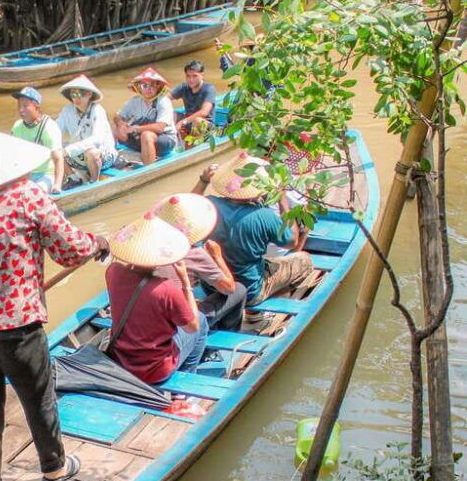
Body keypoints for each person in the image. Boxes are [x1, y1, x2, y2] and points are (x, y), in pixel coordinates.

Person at [0, 129, 108, 481]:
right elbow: (70, 250)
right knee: (38, 397)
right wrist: (98, 242)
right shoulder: (27, 196)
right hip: (15, 323)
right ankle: (54, 467)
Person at [195, 152, 313, 306]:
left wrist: (203, 181)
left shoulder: (210, 205)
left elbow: (187, 210)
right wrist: (282, 200)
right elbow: (291, 242)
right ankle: (263, 307)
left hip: (212, 288)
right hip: (250, 292)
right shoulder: (263, 216)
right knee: (305, 260)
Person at [105, 212, 208, 385]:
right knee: (202, 321)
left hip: (121, 361)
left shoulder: (113, 272)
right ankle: (184, 388)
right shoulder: (166, 289)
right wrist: (185, 283)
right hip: (156, 370)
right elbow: (192, 327)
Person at [153, 192, 247, 332]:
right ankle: (226, 333)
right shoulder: (195, 253)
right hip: (179, 322)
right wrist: (217, 256)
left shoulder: (148, 247)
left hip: (153, 309)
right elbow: (229, 288)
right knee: (239, 289)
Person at [55, 74, 117, 186]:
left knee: (92, 153)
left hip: (103, 156)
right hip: (78, 156)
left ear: (89, 94)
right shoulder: (67, 110)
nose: (76, 98)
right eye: (73, 94)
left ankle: (94, 181)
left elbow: (97, 139)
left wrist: (69, 150)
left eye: (81, 94)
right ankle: (72, 177)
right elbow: (55, 130)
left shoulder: (98, 110)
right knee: (55, 149)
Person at [112, 67, 177, 165]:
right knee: (115, 129)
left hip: (165, 139)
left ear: (158, 87)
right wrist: (121, 124)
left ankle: (148, 169)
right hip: (140, 138)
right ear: (139, 87)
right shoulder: (134, 101)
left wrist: (136, 129)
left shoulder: (163, 101)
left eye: (152, 85)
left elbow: (160, 127)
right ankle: (110, 159)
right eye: (144, 86)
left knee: (146, 135)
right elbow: (117, 116)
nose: (148, 89)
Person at [10, 85, 64, 193]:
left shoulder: (48, 127)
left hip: (46, 175)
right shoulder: (17, 126)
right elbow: (12, 155)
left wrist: (57, 185)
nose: (21, 110)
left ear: (36, 107)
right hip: (26, 174)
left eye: (25, 106)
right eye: (19, 105)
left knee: (33, 194)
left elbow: (58, 159)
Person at [170, 61, 217, 143]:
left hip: (205, 125)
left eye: (195, 76)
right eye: (188, 76)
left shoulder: (209, 89)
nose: (191, 80)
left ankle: (193, 147)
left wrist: (182, 122)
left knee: (197, 121)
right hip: (188, 122)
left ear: (202, 75)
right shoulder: (184, 87)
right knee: (171, 115)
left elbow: (204, 112)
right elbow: (166, 99)